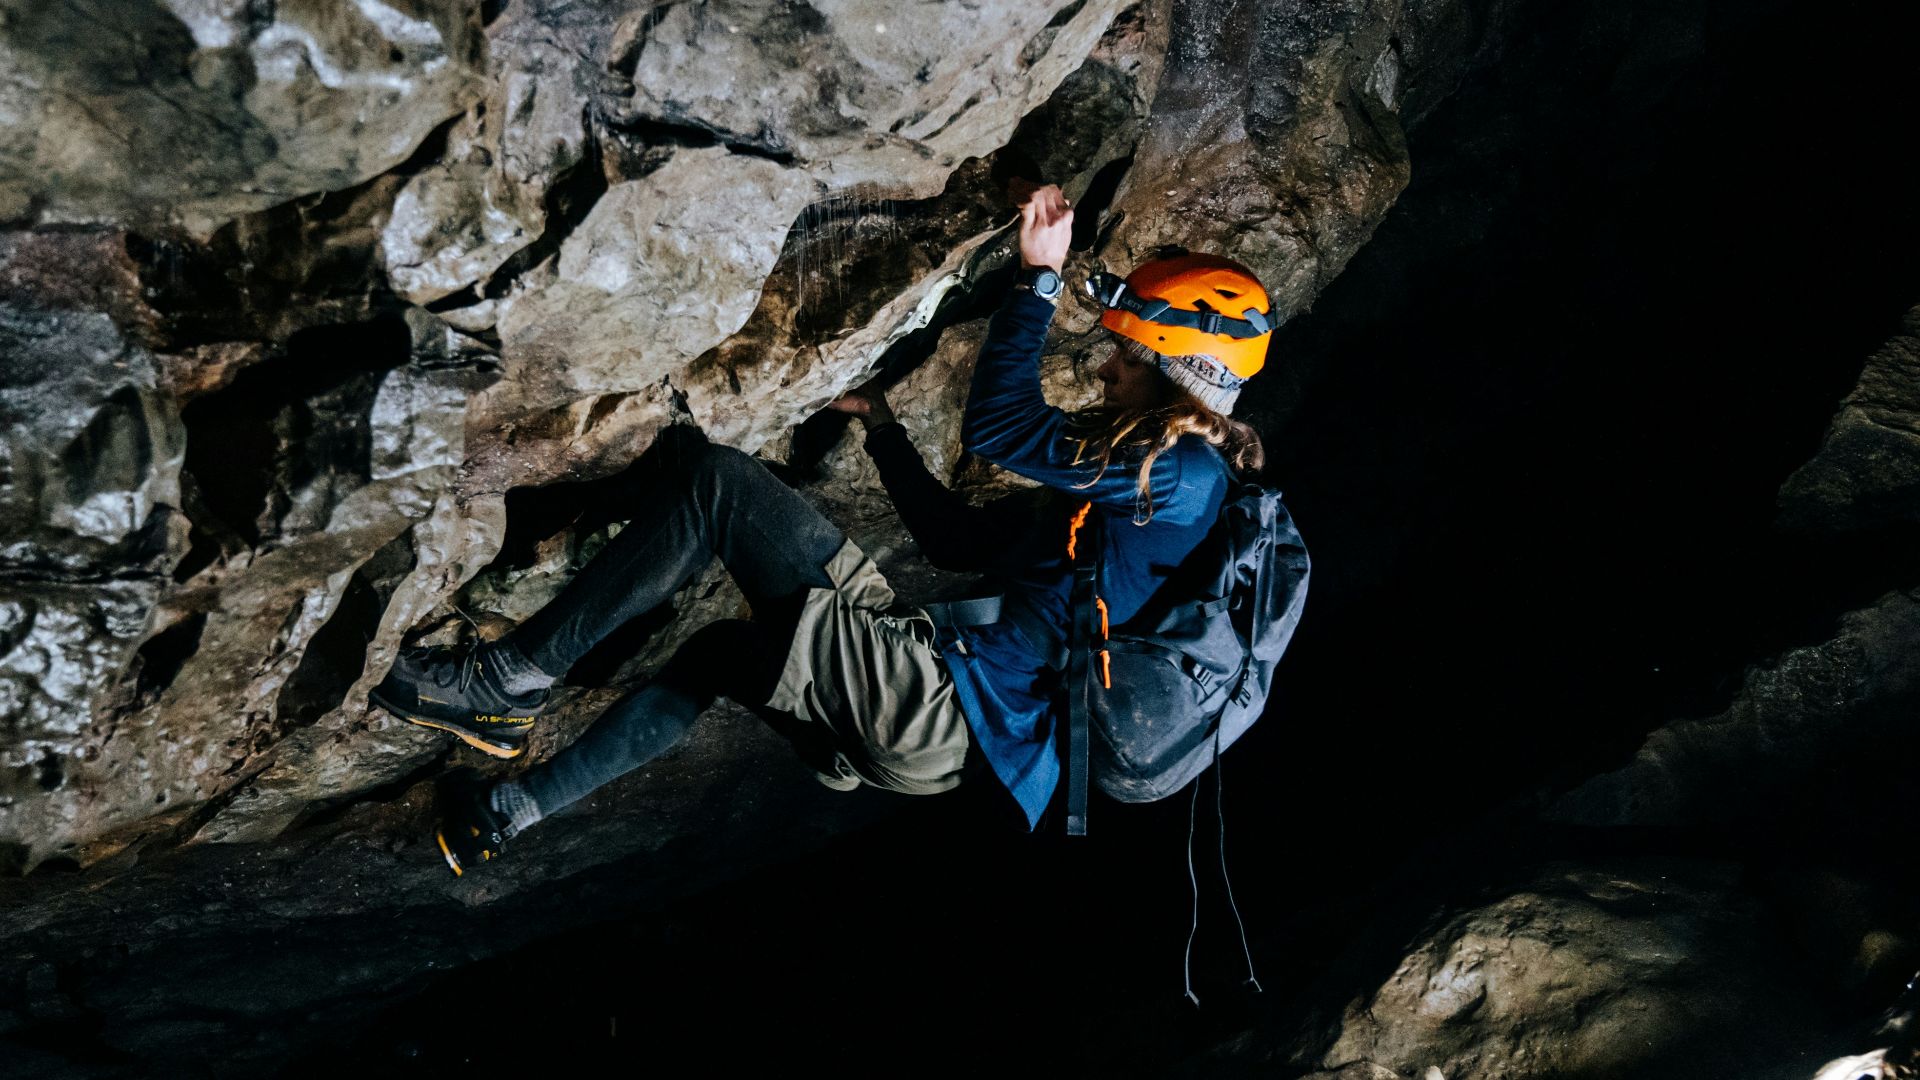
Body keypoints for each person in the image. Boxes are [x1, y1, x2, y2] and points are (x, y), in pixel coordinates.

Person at [370, 183, 1278, 875]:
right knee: (724, 655)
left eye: (1132, 348)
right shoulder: (1142, 499)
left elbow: (999, 429)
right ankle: (501, 818)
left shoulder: (1182, 476)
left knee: (721, 485)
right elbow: (956, 545)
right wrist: (881, 426)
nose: (1113, 362)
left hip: (938, 707)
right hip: (940, 730)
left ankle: (502, 684)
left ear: (1180, 359)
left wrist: (1040, 280)